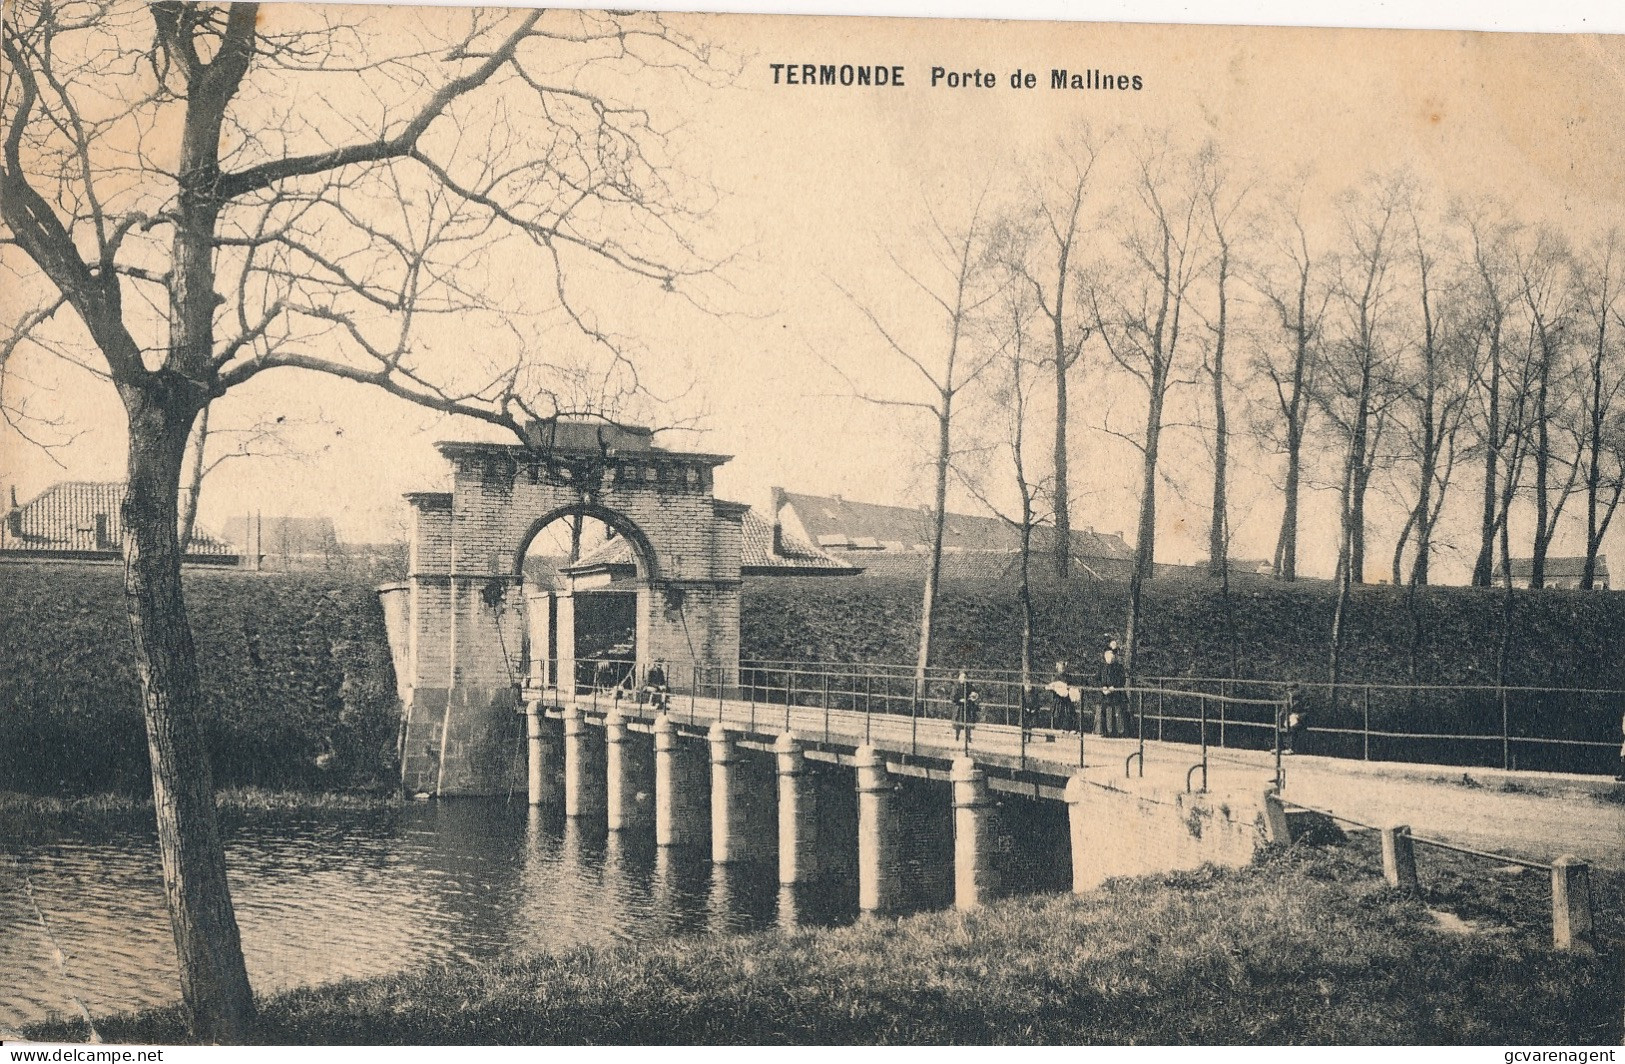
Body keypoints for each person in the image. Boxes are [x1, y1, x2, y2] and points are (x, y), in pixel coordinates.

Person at [1098, 647, 1127, 737]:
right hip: (1105, 695)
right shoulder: (1102, 667)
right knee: (1106, 712)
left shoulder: (1119, 667)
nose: (1110, 657)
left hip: (1116, 694)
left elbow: (1122, 680)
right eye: (1108, 656)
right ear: (1105, 657)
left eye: (1111, 655)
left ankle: (1120, 732)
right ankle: (1106, 732)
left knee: (1118, 713)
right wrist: (1102, 687)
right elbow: (1096, 679)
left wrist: (1114, 687)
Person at [1047, 660, 1076, 732]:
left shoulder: (1068, 676)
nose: (1062, 670)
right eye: (1060, 668)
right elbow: (1052, 686)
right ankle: (1059, 728)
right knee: (1059, 712)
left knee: (1069, 712)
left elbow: (1071, 685)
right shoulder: (1055, 676)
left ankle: (1068, 728)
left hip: (1067, 698)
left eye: (1063, 668)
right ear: (1057, 668)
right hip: (1058, 698)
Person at [952, 670, 981, 744]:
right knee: (958, 723)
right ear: (959, 678)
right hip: (960, 707)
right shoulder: (956, 686)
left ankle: (968, 738)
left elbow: (974, 693)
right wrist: (960, 700)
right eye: (962, 677)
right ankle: (957, 737)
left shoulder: (968, 685)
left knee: (968, 723)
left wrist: (973, 696)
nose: (963, 679)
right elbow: (953, 697)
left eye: (965, 677)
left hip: (967, 707)